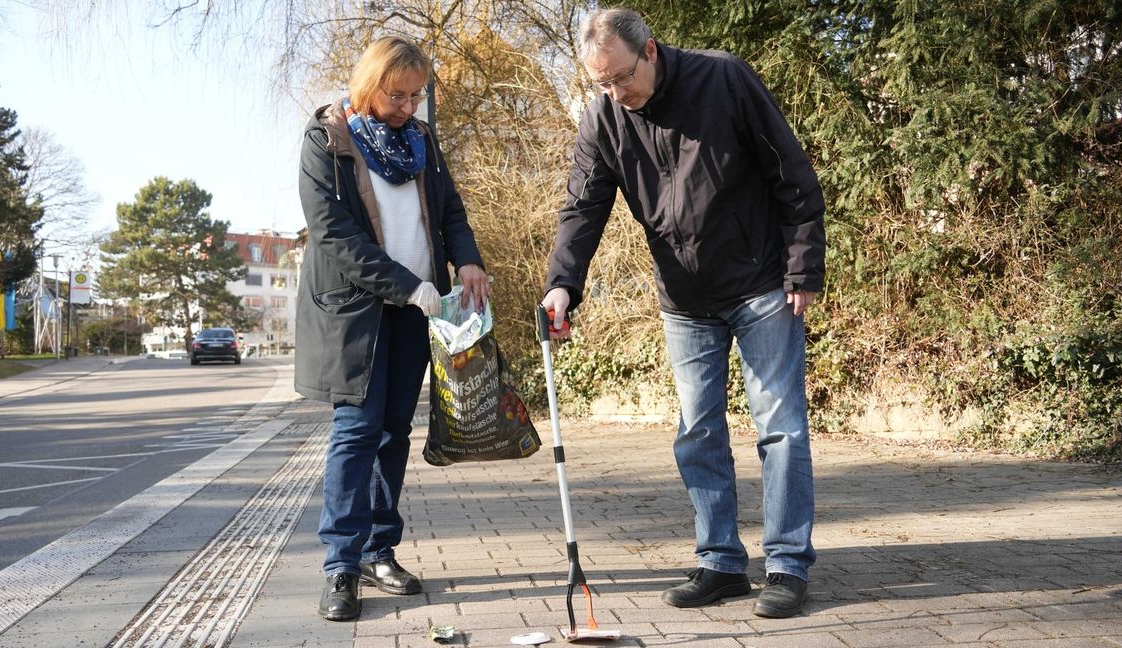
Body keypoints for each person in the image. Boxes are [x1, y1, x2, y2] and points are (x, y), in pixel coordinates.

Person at [541, 8, 825, 618]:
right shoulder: (603, 118)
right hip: (684, 299)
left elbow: (791, 173)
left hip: (759, 283)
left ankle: (787, 566)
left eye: (621, 77)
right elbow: (582, 208)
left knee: (779, 426)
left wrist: (802, 268)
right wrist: (562, 285)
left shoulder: (724, 79)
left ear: (650, 50)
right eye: (601, 83)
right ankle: (720, 562)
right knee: (697, 431)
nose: (616, 93)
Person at [296, 35, 490, 622]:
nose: (408, 107)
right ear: (369, 86)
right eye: (397, 95)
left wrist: (468, 259)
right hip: (355, 312)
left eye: (416, 95)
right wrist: (406, 284)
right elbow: (334, 234)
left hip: (417, 310)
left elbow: (450, 210)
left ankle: (380, 551)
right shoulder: (326, 140)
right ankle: (341, 565)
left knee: (394, 433)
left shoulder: (422, 140)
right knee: (357, 431)